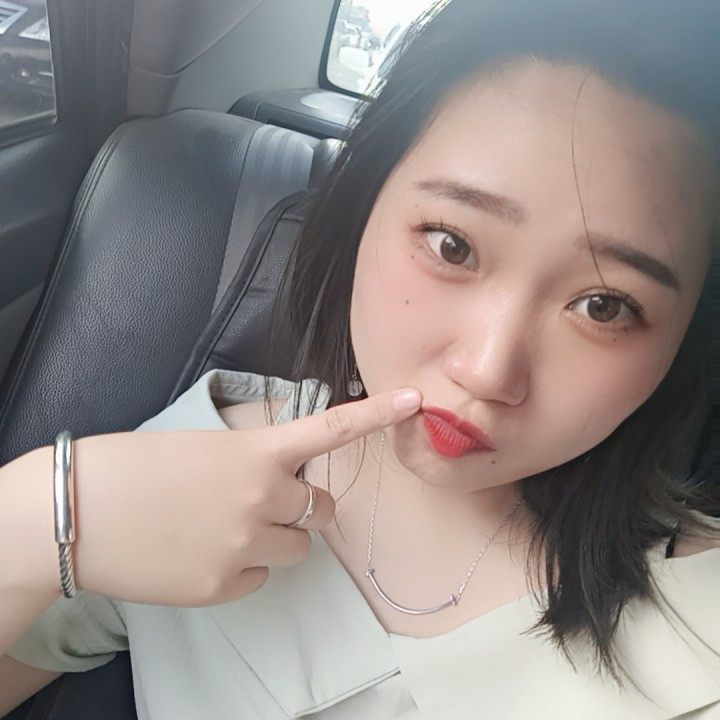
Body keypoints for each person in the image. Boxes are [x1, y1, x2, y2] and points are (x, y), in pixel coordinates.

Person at [2, 0, 719, 717]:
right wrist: (41, 514)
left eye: (604, 306)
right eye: (452, 245)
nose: (486, 369)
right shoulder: (198, 460)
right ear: (363, 203)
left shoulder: (701, 628)